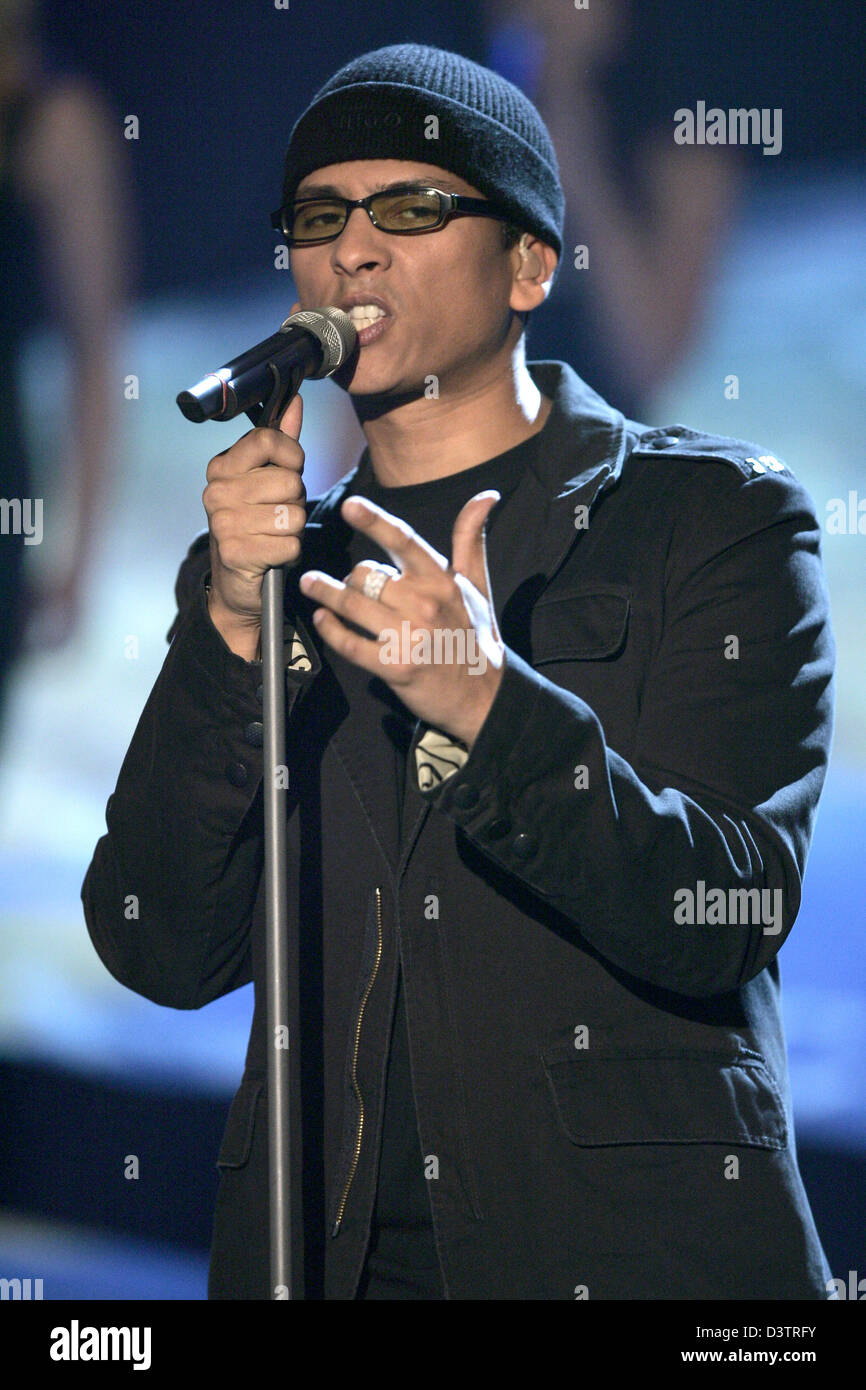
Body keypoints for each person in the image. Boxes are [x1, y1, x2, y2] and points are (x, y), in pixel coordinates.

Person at [82, 44, 836, 1301]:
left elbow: (733, 906)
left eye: (411, 208)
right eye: (320, 217)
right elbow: (156, 943)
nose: (353, 250)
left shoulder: (711, 516)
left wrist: (493, 711)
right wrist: (226, 621)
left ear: (531, 263)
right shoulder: (263, 574)